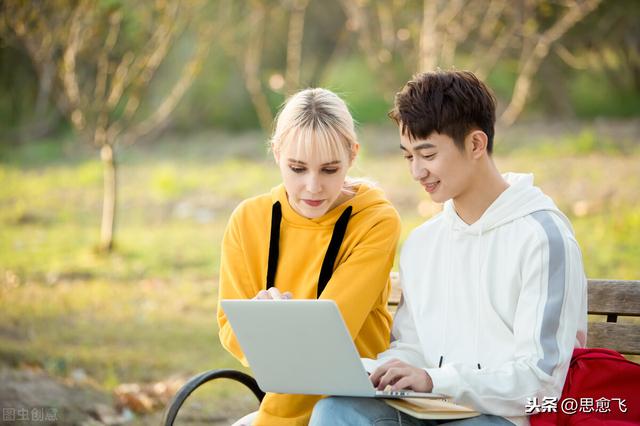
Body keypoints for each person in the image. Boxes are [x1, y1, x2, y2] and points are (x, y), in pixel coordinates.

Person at [310, 71, 587, 426]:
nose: (416, 171)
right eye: (408, 156)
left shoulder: (543, 238)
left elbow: (541, 381)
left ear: (475, 145)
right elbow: (413, 346)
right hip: (429, 409)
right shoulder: (424, 243)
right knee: (336, 411)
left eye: (427, 154)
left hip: (501, 417)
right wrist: (376, 372)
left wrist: (436, 380)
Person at [217, 88, 401, 425]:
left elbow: (332, 334)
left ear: (353, 155)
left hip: (356, 406)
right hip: (282, 408)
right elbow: (230, 327)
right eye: (298, 169)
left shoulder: (376, 221)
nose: (313, 187)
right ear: (277, 154)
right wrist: (260, 321)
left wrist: (267, 328)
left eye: (330, 170)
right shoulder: (248, 220)